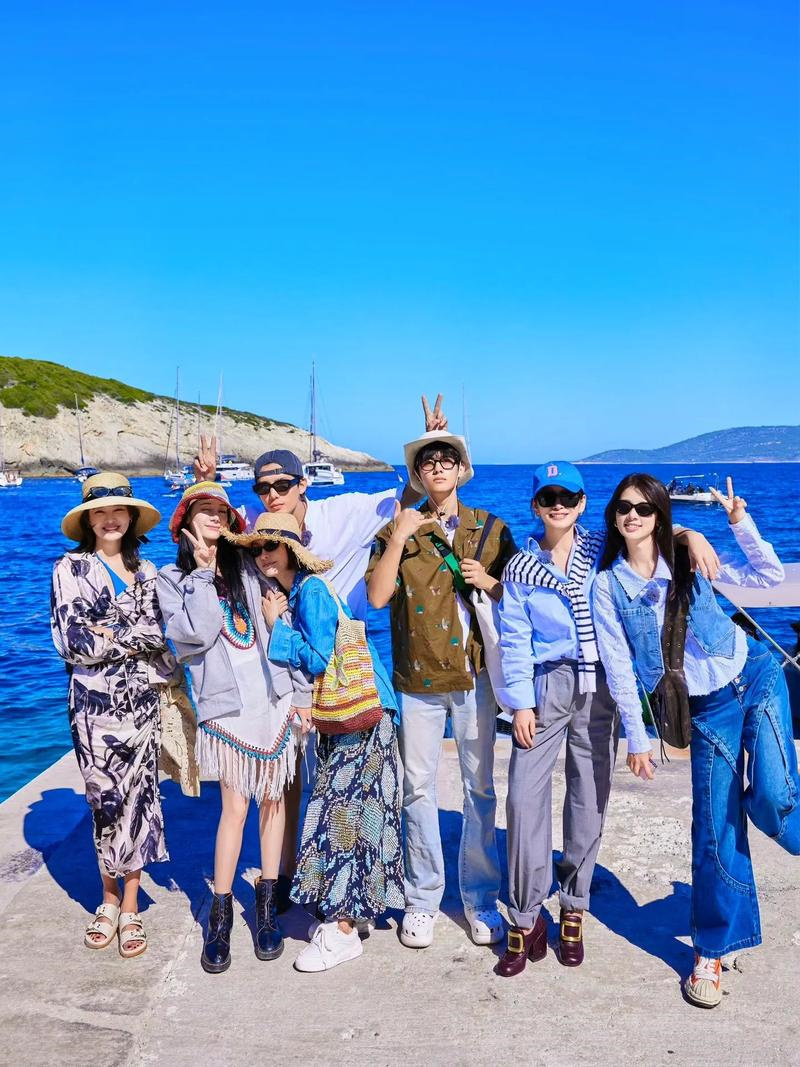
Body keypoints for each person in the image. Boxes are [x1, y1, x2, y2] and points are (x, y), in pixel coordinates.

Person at [195, 395, 448, 910]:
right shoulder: (259, 520)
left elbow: (404, 501)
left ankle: (348, 892)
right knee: (289, 775)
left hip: (336, 665)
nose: (272, 494)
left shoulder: (342, 513)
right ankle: (286, 875)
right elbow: (209, 526)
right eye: (263, 487)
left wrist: (429, 447)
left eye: (282, 485)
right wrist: (206, 481)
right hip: (289, 667)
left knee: (342, 786)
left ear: (302, 485)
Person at [495, 462, 717, 976]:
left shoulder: (601, 546)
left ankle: (573, 906)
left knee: (589, 795)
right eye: (548, 497)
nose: (557, 505)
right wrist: (521, 702)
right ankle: (526, 915)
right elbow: (515, 639)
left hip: (601, 685)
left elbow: (649, 532)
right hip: (546, 683)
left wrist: (691, 534)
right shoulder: (520, 567)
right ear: (535, 505)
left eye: (567, 497)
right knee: (523, 797)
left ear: (582, 503)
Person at [592, 474, 800, 1008]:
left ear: (659, 515)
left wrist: (737, 523)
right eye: (624, 507)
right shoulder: (608, 587)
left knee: (774, 798)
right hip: (707, 710)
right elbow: (619, 667)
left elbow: (768, 575)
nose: (633, 515)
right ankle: (712, 948)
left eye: (644, 508)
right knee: (714, 826)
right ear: (614, 516)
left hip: (755, 674)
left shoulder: (687, 557)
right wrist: (636, 737)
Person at [228, 512, 404, 973]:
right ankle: (351, 915)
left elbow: (320, 657)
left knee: (338, 814)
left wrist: (275, 627)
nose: (263, 555)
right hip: (356, 715)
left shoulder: (311, 592)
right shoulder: (298, 593)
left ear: (291, 550)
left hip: (362, 715)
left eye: (271, 546)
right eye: (256, 548)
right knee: (354, 813)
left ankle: (341, 932)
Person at [367, 430, 516, 949]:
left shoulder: (491, 530)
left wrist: (490, 582)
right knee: (417, 789)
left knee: (480, 789)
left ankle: (480, 896)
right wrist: (401, 534)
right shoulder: (396, 530)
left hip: (475, 676)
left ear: (461, 469)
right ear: (417, 474)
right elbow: (377, 597)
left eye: (446, 459)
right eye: (427, 461)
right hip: (417, 678)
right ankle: (423, 898)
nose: (437, 466)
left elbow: (521, 601)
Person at [156, 482, 306, 974]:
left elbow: (280, 625)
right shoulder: (172, 579)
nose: (214, 517)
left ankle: (266, 909)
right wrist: (202, 574)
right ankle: (219, 916)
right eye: (203, 510)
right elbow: (195, 636)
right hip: (226, 709)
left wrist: (299, 693)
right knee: (235, 808)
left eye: (220, 511)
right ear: (185, 521)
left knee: (274, 801)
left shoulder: (246, 567)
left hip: (272, 698)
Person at [51, 472, 178, 958]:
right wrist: (135, 637)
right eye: (99, 512)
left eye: (117, 510)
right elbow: (72, 642)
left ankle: (129, 905)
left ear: (130, 516)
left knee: (141, 799)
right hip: (92, 707)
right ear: (88, 520)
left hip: (142, 702)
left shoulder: (148, 572)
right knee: (104, 802)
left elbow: (163, 635)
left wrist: (112, 633)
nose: (109, 519)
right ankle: (107, 898)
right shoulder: (69, 568)